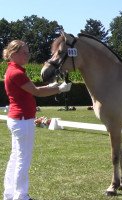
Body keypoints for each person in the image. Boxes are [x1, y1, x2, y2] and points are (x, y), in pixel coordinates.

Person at [2, 40, 72, 200]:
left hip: (18, 119)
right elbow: (36, 92)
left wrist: (53, 86)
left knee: (15, 157)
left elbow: (34, 90)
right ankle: (21, 196)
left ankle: (10, 194)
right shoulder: (16, 73)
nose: (28, 55)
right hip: (22, 120)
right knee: (22, 159)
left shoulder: (13, 70)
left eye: (28, 51)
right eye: (24, 52)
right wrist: (58, 89)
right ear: (13, 54)